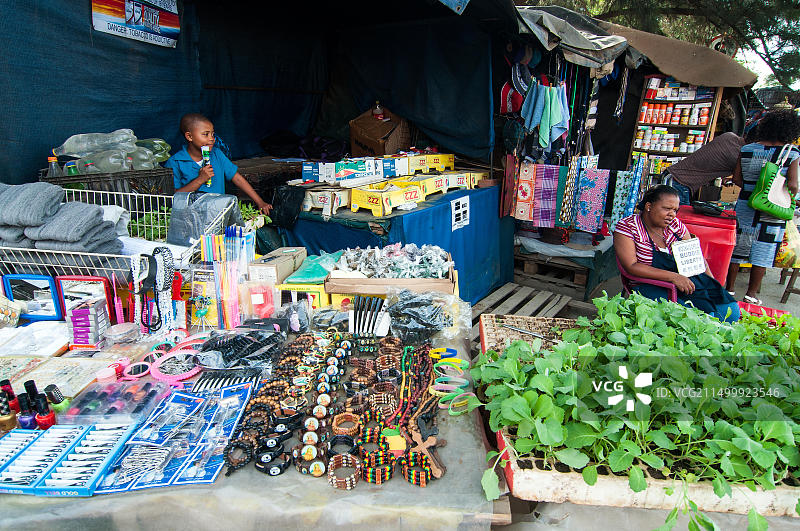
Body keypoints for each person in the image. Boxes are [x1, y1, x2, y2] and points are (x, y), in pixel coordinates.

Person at [614, 185, 739, 322]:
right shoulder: (628, 227)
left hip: (685, 280)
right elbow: (631, 266)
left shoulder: (675, 225)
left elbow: (696, 257)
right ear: (649, 206)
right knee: (695, 319)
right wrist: (673, 277)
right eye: (667, 209)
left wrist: (712, 283)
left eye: (675, 210)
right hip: (648, 284)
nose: (672, 214)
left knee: (730, 311)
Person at [726, 109, 800, 305]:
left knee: (737, 247)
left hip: (746, 205)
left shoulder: (747, 149)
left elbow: (737, 179)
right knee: (764, 249)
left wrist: (754, 190)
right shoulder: (791, 153)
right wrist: (778, 192)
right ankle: (751, 294)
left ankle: (730, 289)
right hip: (772, 209)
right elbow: (793, 185)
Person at [164, 113, 272, 215]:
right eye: (205, 134)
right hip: (190, 219)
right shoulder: (175, 162)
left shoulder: (216, 154)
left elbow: (237, 178)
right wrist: (200, 179)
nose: (212, 139)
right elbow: (174, 197)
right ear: (189, 136)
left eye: (212, 134)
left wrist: (259, 201)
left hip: (219, 214)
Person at [661, 132, 745, 205]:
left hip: (675, 178)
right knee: (677, 219)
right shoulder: (737, 156)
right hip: (678, 181)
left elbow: (713, 161)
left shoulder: (729, 136)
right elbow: (737, 180)